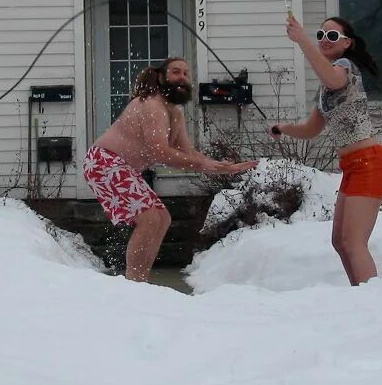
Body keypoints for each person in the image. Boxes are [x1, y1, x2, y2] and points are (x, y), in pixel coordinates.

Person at [84, 57, 258, 282]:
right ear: (161, 77)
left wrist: (221, 167)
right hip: (103, 162)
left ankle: (140, 279)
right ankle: (134, 283)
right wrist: (202, 164)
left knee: (162, 218)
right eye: (176, 72)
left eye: (186, 74)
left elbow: (188, 154)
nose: (182, 78)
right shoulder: (152, 104)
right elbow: (160, 152)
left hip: (118, 166)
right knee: (149, 218)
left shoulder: (174, 112)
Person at [271, 16, 382, 285]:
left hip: (371, 163)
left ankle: (374, 302)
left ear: (347, 43)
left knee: (353, 242)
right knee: (340, 241)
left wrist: (302, 39)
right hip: (353, 166)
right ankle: (359, 294)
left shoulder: (344, 68)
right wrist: (284, 127)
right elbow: (311, 129)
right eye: (320, 34)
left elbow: (333, 77)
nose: (325, 39)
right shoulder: (327, 87)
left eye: (332, 36)